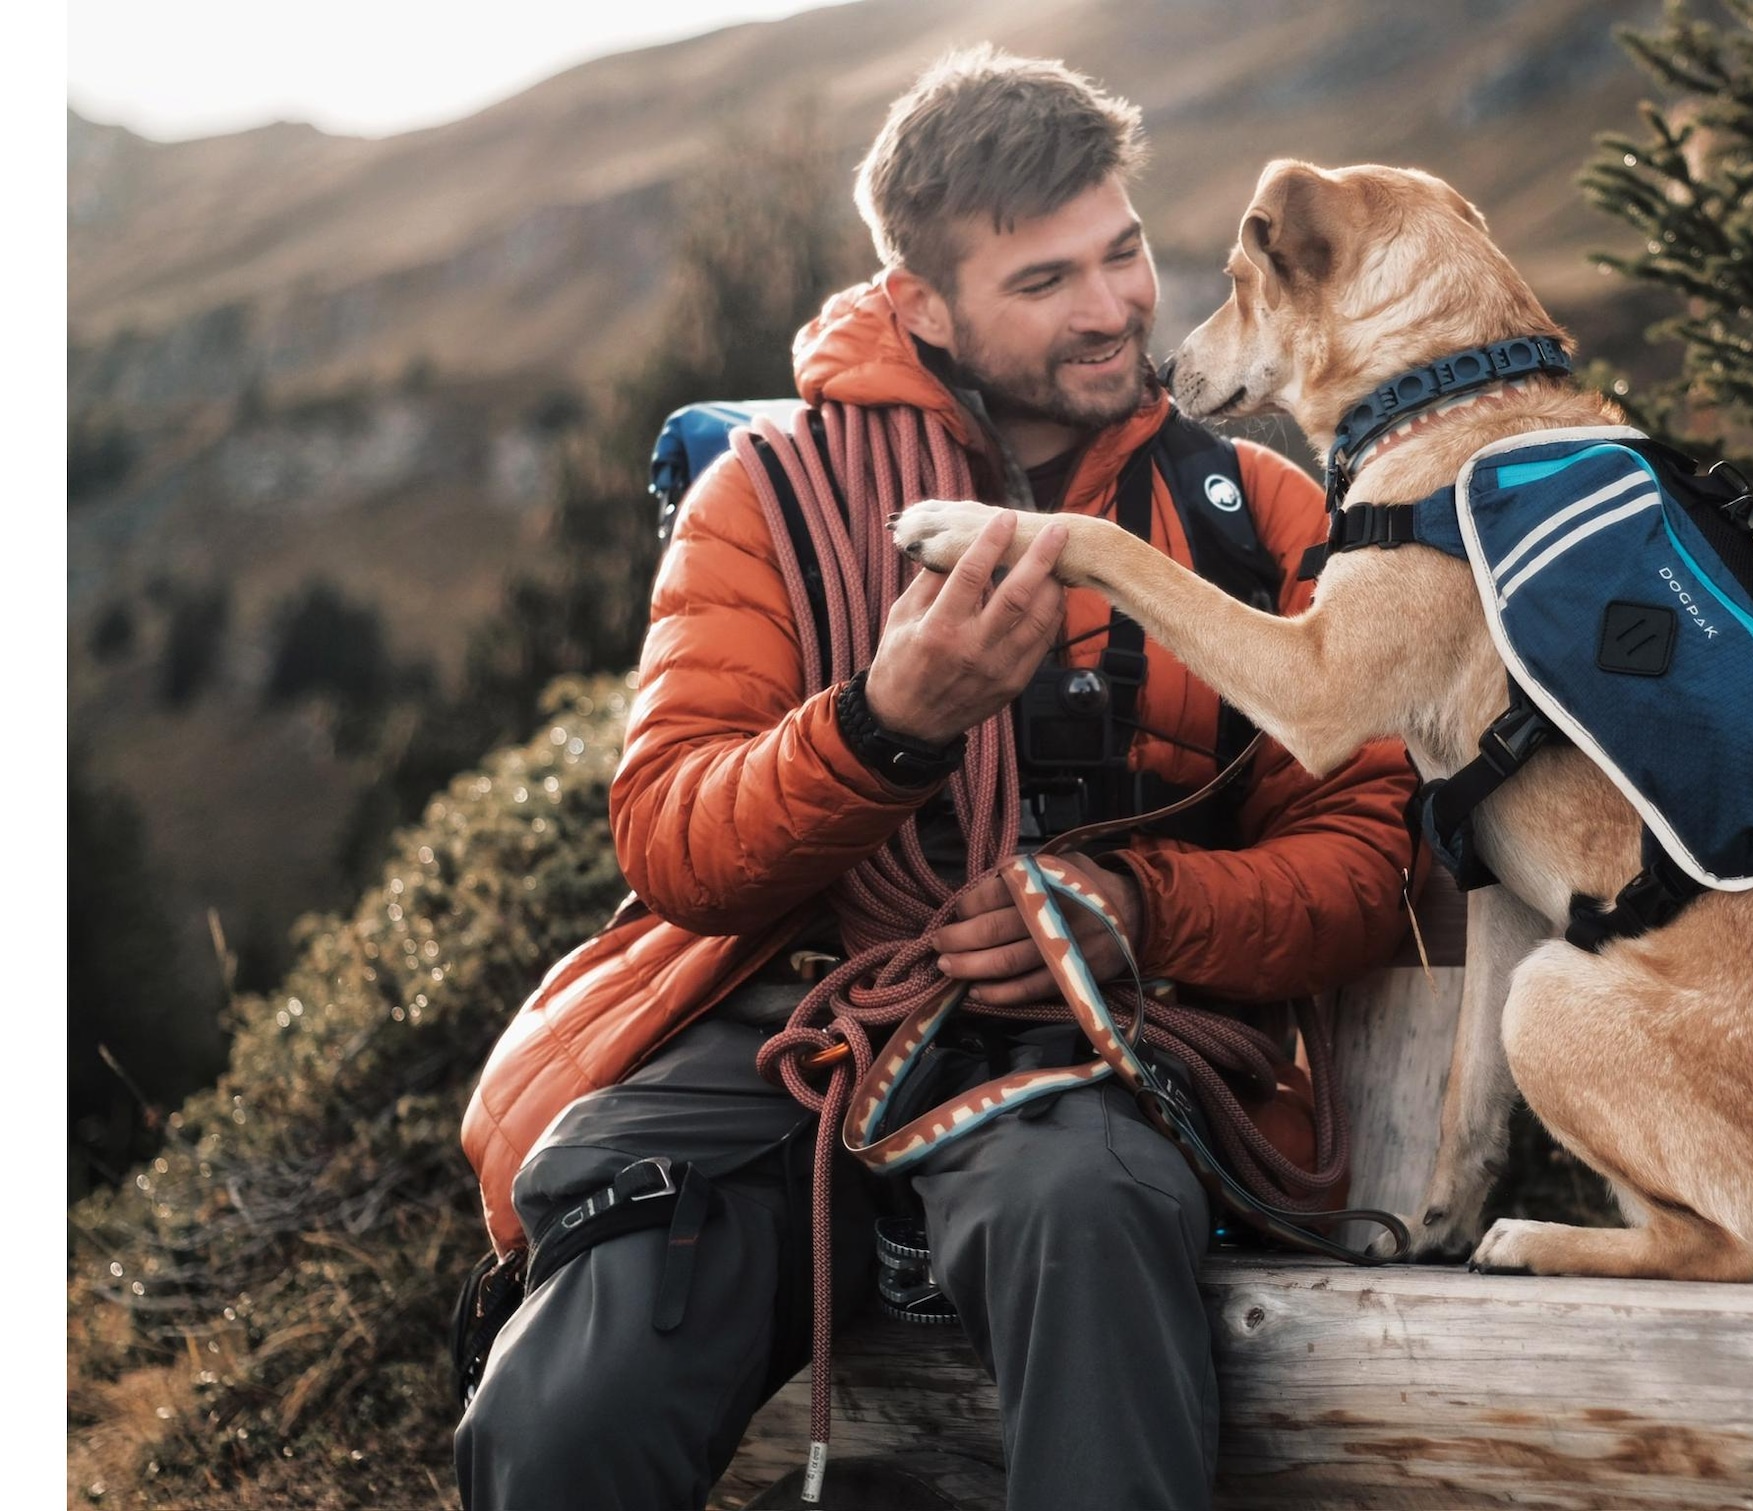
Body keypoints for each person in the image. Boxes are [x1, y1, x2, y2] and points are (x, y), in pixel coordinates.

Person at [454, 46, 1416, 1511]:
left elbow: (1364, 857)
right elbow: (672, 840)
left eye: (1125, 252)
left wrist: (1134, 909)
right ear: (923, 306)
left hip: (1097, 1048)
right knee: (567, 1416)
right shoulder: (764, 501)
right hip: (797, 1037)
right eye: (1043, 283)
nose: (1112, 311)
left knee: (1077, 1203)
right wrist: (884, 728)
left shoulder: (1253, 515)